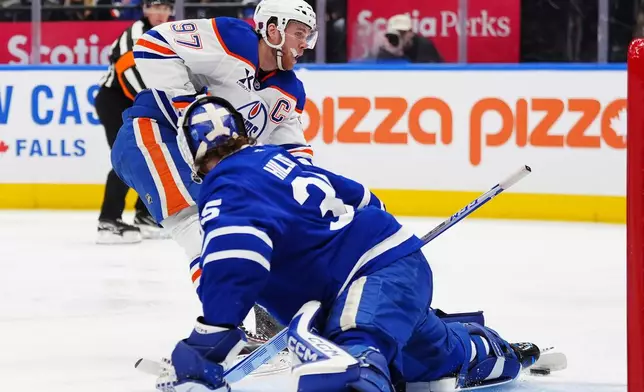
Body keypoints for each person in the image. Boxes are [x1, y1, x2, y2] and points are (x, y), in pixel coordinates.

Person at [154, 96, 542, 392]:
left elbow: (237, 260)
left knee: (355, 355)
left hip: (369, 282)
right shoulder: (282, 160)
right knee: (435, 357)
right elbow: (366, 199)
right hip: (393, 271)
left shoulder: (226, 185)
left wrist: (211, 336)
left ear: (192, 158)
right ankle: (496, 353)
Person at [110, 0, 317, 342]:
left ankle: (269, 319)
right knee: (199, 229)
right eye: (299, 33)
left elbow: (291, 147)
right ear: (274, 29)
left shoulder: (288, 89)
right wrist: (189, 110)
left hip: (206, 165)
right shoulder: (233, 39)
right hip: (152, 134)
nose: (304, 44)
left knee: (253, 233)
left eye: (308, 36)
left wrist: (314, 189)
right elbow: (153, 43)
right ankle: (219, 330)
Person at [95, 0, 173, 244]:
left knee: (152, 155)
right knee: (127, 157)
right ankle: (108, 221)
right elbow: (129, 74)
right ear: (145, 9)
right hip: (115, 100)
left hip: (138, 100)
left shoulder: (168, 35)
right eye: (155, 7)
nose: (160, 13)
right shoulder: (135, 34)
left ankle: (144, 214)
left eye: (165, 8)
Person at [376, 14, 443, 63]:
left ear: (411, 33)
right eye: (394, 33)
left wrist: (401, 56)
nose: (398, 36)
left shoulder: (423, 46)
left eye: (402, 32)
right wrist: (391, 54)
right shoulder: (387, 49)